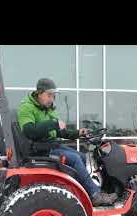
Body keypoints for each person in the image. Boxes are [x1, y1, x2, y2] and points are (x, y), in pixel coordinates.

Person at [17, 78, 118, 207]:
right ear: (39, 93)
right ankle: (95, 195)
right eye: (49, 95)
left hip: (51, 146)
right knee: (75, 159)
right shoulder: (26, 107)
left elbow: (60, 132)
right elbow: (29, 131)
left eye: (53, 96)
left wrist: (78, 133)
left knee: (82, 156)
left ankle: (84, 191)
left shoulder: (48, 108)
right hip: (39, 149)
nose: (51, 99)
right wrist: (53, 123)